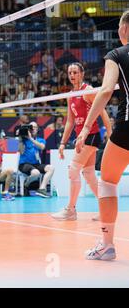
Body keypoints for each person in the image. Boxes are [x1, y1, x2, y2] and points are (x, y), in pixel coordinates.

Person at [75, 11, 129, 260]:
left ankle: (107, 245)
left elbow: (107, 89)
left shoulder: (116, 55)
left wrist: (86, 127)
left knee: (107, 181)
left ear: (125, 30)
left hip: (127, 128)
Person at [52, 63, 112, 221]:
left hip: (91, 136)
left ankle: (70, 210)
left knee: (73, 170)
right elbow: (70, 122)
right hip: (80, 137)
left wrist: (110, 134)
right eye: (70, 72)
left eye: (75, 72)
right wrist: (63, 143)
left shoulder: (88, 91)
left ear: (82, 74)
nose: (72, 75)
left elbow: (103, 112)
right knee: (89, 174)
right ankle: (107, 208)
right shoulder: (70, 95)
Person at [18, 121, 55, 198]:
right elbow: (21, 152)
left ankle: (42, 188)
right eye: (31, 127)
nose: (33, 129)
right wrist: (20, 139)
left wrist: (31, 139)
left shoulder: (41, 140)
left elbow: (42, 147)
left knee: (51, 168)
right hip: (24, 164)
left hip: (36, 164)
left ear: (38, 129)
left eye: (35, 127)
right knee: (36, 173)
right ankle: (26, 184)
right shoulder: (23, 140)